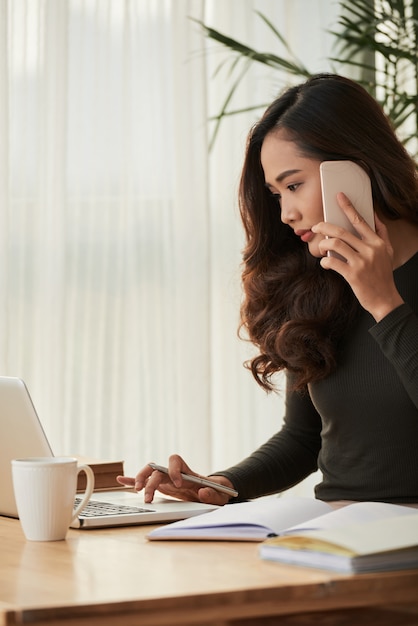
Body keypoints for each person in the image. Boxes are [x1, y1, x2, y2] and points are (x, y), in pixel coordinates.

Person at [118, 73, 418, 508]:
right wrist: (218, 486)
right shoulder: (320, 283)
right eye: (276, 194)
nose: (286, 213)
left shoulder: (378, 292)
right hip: (336, 534)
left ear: (355, 170)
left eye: (294, 185)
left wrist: (384, 304)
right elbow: (303, 439)